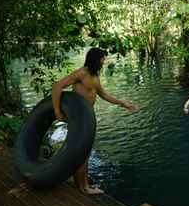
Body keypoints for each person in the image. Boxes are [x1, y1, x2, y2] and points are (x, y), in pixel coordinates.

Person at [52, 47, 139, 195]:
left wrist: (124, 103)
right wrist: (57, 111)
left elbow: (104, 95)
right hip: (79, 117)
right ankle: (83, 187)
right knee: (82, 152)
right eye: (102, 59)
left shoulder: (94, 76)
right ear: (95, 59)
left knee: (84, 152)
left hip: (88, 118)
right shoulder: (81, 73)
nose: (104, 62)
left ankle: (84, 184)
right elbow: (57, 86)